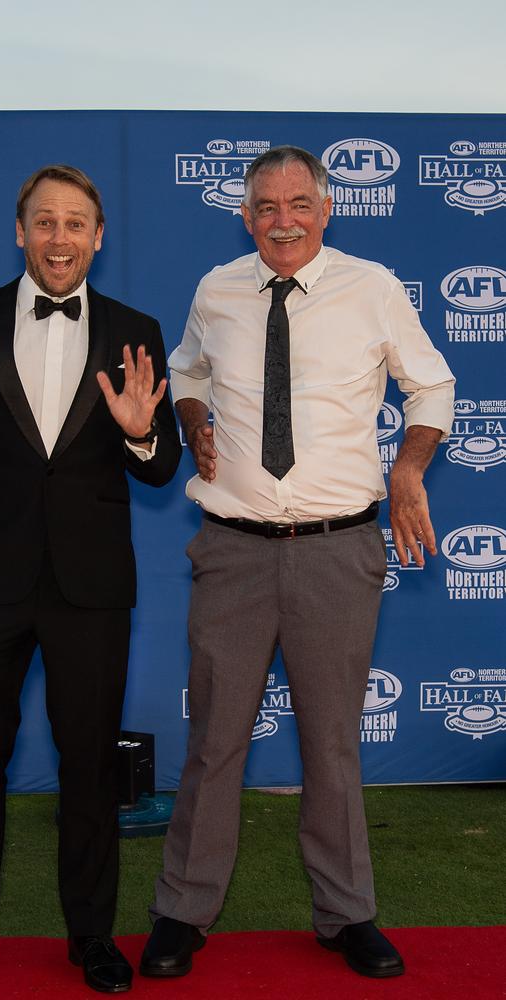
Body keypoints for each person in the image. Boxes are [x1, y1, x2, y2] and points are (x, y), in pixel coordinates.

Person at [140, 145, 454, 981]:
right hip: (232, 553)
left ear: (326, 209)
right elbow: (185, 372)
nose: (283, 220)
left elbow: (431, 387)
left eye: (299, 204)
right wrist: (195, 418)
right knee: (213, 745)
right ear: (245, 216)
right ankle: (182, 911)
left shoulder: (374, 288)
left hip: (337, 550)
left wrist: (410, 466)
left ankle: (346, 914)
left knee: (332, 745)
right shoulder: (217, 289)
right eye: (266, 207)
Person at [0, 164, 181, 995]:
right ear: (21, 233)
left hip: (91, 588)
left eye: (76, 222)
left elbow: (162, 467)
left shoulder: (136, 328)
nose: (60, 237)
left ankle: (92, 937)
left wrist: (136, 434)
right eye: (45, 222)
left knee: (90, 766)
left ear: (99, 236)